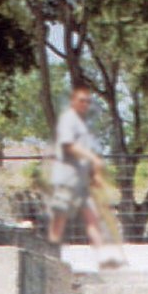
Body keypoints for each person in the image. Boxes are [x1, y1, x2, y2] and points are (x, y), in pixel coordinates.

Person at [47, 84, 106, 250]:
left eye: (88, 101)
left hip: (81, 181)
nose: (85, 104)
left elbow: (86, 153)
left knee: (93, 217)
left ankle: (103, 258)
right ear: (73, 101)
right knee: (60, 216)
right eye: (81, 101)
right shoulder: (68, 119)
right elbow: (68, 145)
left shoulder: (82, 124)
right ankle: (52, 252)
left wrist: (94, 174)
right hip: (67, 178)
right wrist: (93, 158)